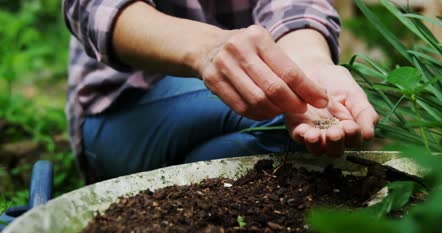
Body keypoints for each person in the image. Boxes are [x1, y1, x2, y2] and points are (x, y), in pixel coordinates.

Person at [62, 0, 379, 183]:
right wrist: (206, 50)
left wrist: (309, 68)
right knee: (277, 116)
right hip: (123, 109)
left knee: (302, 122)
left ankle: (171, 201)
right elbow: (95, 9)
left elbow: (294, 5)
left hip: (222, 109)